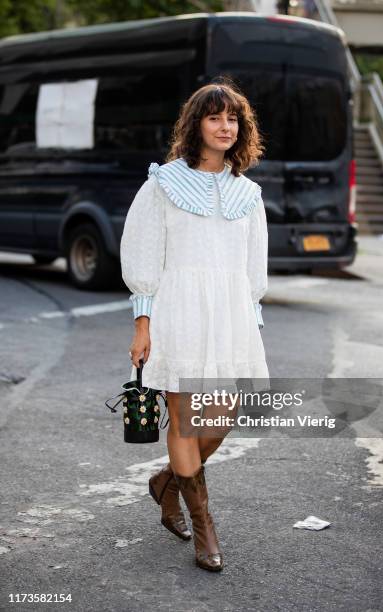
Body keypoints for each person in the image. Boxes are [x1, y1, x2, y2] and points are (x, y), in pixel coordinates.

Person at [120, 80, 270, 572]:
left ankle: (166, 481)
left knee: (221, 415)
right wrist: (143, 325)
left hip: (230, 317)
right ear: (196, 125)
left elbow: (253, 271)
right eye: (214, 117)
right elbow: (144, 256)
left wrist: (251, 325)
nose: (225, 126)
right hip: (178, 311)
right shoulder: (162, 183)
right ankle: (204, 526)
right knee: (185, 418)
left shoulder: (248, 193)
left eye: (233, 119)